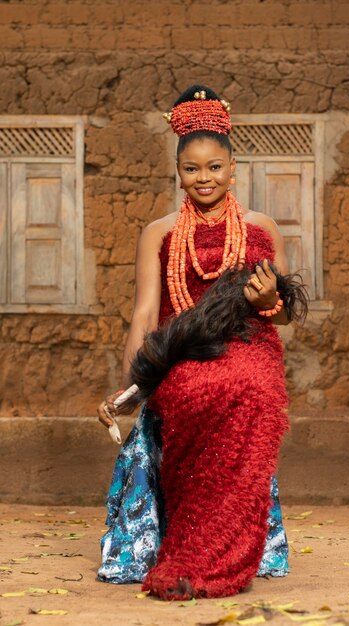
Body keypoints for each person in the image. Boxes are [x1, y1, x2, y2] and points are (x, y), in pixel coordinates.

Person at [97, 85, 301, 600]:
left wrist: (269, 300)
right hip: (182, 353)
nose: (203, 178)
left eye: (214, 168)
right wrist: (130, 388)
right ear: (178, 171)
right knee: (190, 389)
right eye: (192, 169)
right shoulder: (159, 233)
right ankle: (194, 542)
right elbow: (145, 313)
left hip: (250, 346)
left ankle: (223, 553)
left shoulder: (261, 227)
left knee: (250, 389)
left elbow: (281, 318)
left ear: (233, 170)